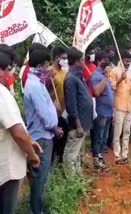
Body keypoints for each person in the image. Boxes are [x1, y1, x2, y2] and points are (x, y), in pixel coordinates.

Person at [0, 52, 42, 214]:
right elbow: (17, 132)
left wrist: (28, 140)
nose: (12, 73)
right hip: (7, 169)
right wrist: (32, 155)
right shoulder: (2, 94)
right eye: (9, 69)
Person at [24, 48, 63, 214]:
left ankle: (37, 208)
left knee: (40, 177)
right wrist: (55, 129)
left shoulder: (36, 84)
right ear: (40, 65)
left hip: (43, 135)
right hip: (42, 137)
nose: (49, 68)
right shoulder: (34, 86)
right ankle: (36, 210)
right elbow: (44, 116)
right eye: (47, 65)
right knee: (39, 178)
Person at [63, 47, 93, 172]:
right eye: (81, 60)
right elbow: (71, 104)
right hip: (77, 126)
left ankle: (77, 178)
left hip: (83, 123)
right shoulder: (70, 79)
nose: (83, 63)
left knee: (78, 154)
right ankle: (71, 182)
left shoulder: (77, 77)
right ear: (75, 61)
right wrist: (78, 125)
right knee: (71, 155)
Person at [90, 51, 113, 171]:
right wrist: (105, 78)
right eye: (105, 59)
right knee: (98, 137)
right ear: (99, 61)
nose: (107, 62)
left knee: (104, 138)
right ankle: (96, 162)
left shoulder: (106, 74)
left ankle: (100, 158)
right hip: (101, 112)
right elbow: (97, 92)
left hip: (108, 112)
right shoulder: (96, 76)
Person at [110, 51, 131, 164]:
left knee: (127, 132)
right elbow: (112, 87)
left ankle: (125, 155)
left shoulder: (129, 73)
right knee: (117, 133)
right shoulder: (115, 70)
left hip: (129, 106)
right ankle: (117, 156)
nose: (128, 63)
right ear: (122, 60)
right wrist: (120, 79)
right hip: (119, 106)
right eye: (126, 61)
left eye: (129, 61)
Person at [49, 46, 69, 163]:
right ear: (56, 58)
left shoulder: (65, 72)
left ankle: (59, 162)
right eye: (63, 58)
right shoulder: (49, 72)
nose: (66, 61)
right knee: (53, 142)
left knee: (62, 140)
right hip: (52, 113)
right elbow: (46, 93)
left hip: (62, 111)